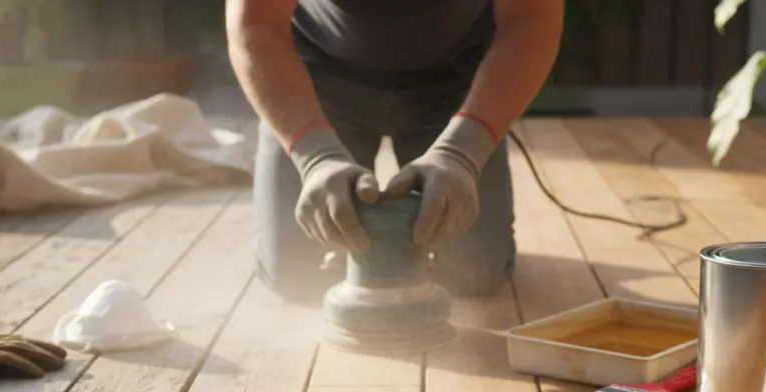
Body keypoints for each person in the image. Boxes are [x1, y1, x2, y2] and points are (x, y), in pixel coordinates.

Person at [225, 0, 563, 305]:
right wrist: (315, 155)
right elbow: (256, 23)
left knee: (476, 274)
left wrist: (463, 151)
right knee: (293, 272)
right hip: (315, 77)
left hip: (459, 80)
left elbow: (529, 17)